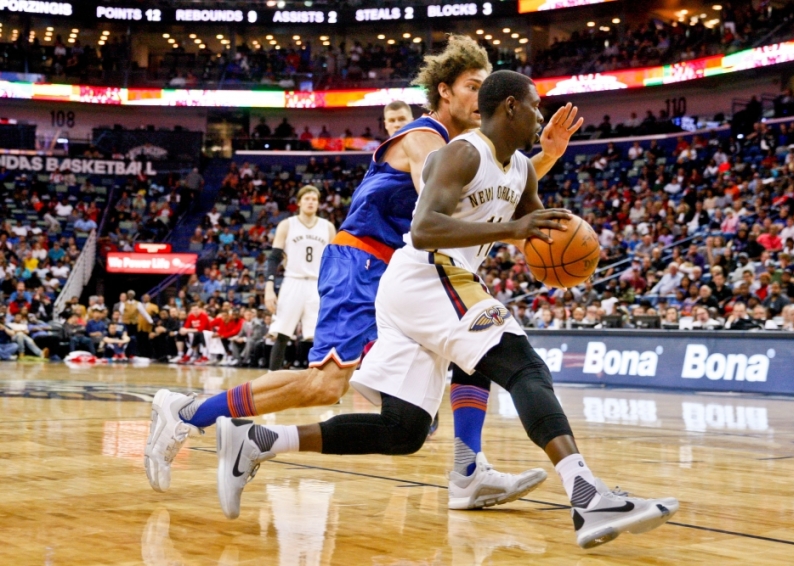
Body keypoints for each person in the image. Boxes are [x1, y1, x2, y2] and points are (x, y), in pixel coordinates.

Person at [213, 71, 678, 548]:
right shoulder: (460, 152)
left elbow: (533, 230)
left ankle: (258, 442)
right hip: (426, 272)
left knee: (404, 430)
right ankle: (587, 496)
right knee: (524, 366)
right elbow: (424, 229)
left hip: (427, 285)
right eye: (535, 105)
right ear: (511, 107)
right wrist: (512, 232)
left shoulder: (522, 167)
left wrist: (556, 245)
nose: (541, 114)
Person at [146, 35, 583, 509]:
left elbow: (492, 193)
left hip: (409, 274)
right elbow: (435, 208)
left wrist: (545, 158)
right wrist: (521, 209)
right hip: (363, 262)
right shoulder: (426, 137)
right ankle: (188, 412)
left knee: (470, 353)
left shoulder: (464, 147)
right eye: (472, 86)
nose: (482, 98)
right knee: (325, 385)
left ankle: (468, 469)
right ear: (444, 91)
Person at [265, 185, 336, 371]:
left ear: (319, 203)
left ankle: (319, 384)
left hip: (317, 283)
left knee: (318, 336)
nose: (311, 202)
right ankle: (272, 379)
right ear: (299, 202)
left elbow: (334, 261)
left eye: (314, 199)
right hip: (292, 281)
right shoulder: (287, 225)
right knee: (282, 333)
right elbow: (273, 258)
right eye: (307, 198)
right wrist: (269, 287)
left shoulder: (328, 227)